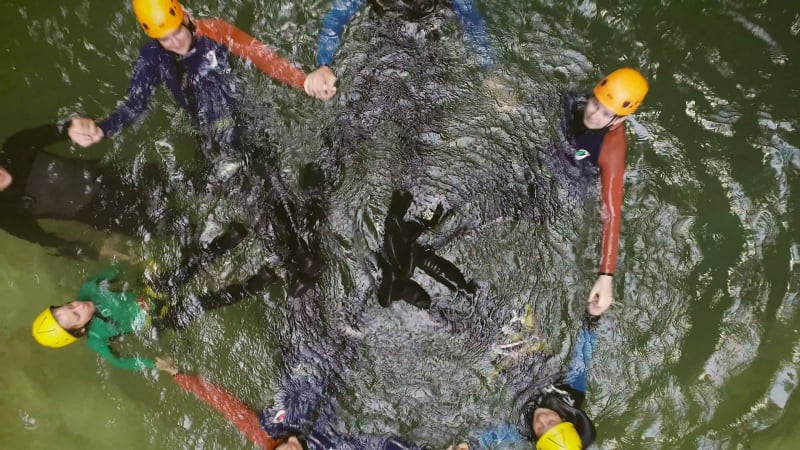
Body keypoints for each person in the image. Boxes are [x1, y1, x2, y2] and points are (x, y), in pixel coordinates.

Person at [67, 0, 309, 181]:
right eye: (165, 40)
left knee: (271, 173)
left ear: (185, 17)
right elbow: (135, 105)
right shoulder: (152, 58)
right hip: (208, 130)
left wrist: (304, 81)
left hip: (245, 115)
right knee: (237, 185)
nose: (176, 44)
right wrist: (102, 129)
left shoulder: (215, 31)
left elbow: (263, 57)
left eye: (177, 33)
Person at [31, 262, 279, 370]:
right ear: (80, 331)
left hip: (148, 294)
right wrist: (154, 364)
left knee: (182, 271)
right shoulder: (97, 339)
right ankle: (257, 284)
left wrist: (137, 263)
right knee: (205, 302)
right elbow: (120, 362)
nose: (78, 305)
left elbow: (119, 270)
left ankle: (226, 241)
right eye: (75, 315)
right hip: (159, 319)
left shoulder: (90, 288)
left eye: (68, 305)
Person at [560, 68, 649, 316]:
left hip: (574, 177)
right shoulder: (576, 100)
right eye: (595, 103)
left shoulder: (612, 148)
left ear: (619, 119)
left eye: (605, 113)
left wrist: (606, 276)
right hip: (555, 152)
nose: (594, 114)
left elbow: (611, 212)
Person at [445, 310, 600, 450]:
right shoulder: (572, 392)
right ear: (564, 419)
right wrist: (592, 317)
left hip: (496, 355)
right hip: (525, 339)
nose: (542, 420)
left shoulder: (522, 430)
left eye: (540, 430)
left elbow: (494, 436)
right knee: (478, 301)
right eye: (552, 423)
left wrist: (471, 445)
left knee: (445, 321)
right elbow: (582, 356)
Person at [304, 0, 495, 100]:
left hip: (427, 48)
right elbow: (337, 18)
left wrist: (491, 72)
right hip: (383, 45)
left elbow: (473, 23)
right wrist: (324, 64)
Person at [376, 189, 476, 309]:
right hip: (409, 251)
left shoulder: (401, 228)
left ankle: (441, 208)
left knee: (424, 224)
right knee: (423, 228)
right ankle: (463, 288)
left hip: (411, 244)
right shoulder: (399, 272)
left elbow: (420, 226)